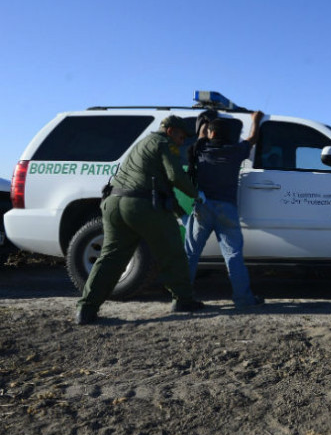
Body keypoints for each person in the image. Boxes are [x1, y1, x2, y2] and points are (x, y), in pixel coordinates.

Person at [76, 115, 204, 324]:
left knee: (110, 258)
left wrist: (179, 210)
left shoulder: (142, 143)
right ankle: (183, 300)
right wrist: (196, 194)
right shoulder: (165, 143)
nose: (182, 142)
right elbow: (175, 176)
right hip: (140, 205)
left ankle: (86, 308)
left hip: (113, 202)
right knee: (173, 251)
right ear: (170, 131)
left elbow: (158, 184)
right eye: (181, 137)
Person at [184, 110, 264, 307]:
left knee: (191, 254)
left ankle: (182, 297)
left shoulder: (201, 148)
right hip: (226, 209)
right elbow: (252, 138)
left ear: (211, 133)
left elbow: (201, 134)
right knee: (233, 255)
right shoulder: (235, 150)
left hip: (202, 207)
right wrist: (256, 120)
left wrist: (207, 120)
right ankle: (243, 299)